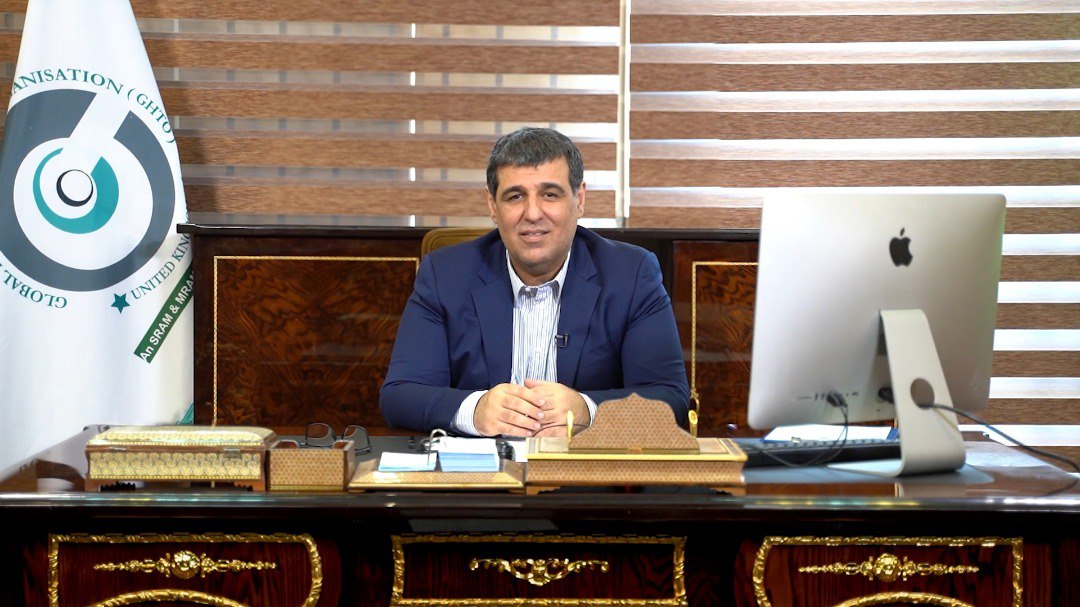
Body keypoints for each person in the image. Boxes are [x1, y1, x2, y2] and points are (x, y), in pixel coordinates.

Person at [380, 127, 689, 437]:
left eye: (549, 194)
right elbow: (400, 395)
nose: (532, 213)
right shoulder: (445, 275)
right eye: (515, 196)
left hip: (579, 463)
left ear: (579, 199)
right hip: (481, 464)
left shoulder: (631, 274)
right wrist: (476, 410)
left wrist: (586, 410)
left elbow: (669, 397)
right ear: (492, 205)